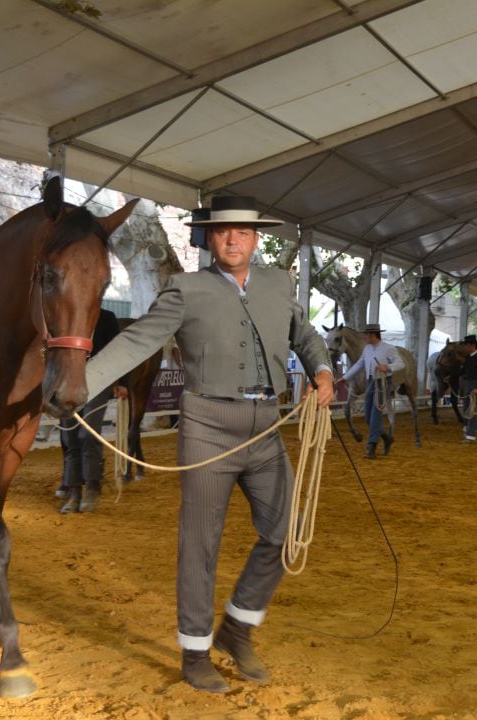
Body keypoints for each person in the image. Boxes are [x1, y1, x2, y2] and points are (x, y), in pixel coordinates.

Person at [82, 195, 334, 693]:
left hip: (266, 424)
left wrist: (322, 370)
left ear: (256, 237)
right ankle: (195, 651)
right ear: (208, 238)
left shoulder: (279, 283)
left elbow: (304, 335)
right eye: (221, 232)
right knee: (200, 543)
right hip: (207, 427)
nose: (232, 240)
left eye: (242, 231)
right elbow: (138, 342)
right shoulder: (184, 289)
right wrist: (81, 385)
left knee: (283, 533)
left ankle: (236, 629)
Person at [56, 307, 125, 513]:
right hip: (67, 381)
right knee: (70, 439)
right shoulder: (64, 314)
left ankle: (93, 486)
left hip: (99, 380)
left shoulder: (106, 318)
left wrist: (122, 383)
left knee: (88, 434)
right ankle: (74, 492)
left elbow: (118, 352)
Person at [337, 323, 405, 458]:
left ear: (373, 335)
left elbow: (401, 363)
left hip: (383, 383)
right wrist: (345, 377)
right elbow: (359, 364)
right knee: (368, 417)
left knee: (375, 415)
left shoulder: (388, 348)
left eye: (366, 334)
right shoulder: (367, 349)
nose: (364, 337)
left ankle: (371, 447)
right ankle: (386, 438)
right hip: (370, 382)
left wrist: (388, 366)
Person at [458, 334, 477, 442]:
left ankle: (470, 436)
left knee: (472, 411)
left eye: (466, 345)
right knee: (466, 410)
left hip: (475, 385)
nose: (465, 348)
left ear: (472, 345)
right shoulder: (468, 358)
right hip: (467, 384)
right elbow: (463, 371)